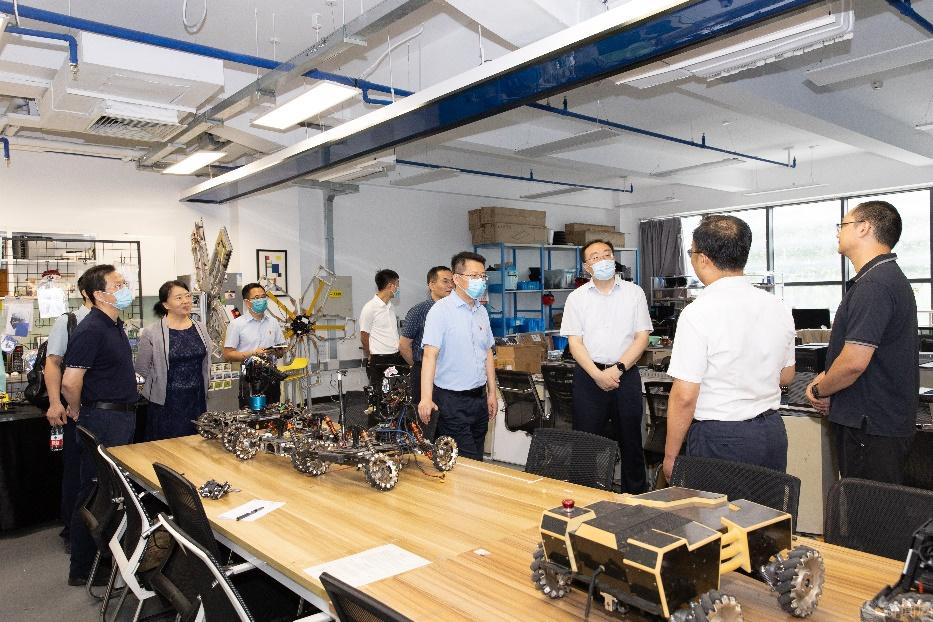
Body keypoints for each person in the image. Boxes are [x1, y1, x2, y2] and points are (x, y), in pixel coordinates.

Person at [662, 216, 796, 481]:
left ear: (703, 258)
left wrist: (670, 457)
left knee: (717, 509)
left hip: (720, 438)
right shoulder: (777, 305)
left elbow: (685, 396)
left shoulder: (698, 312)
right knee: (764, 507)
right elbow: (786, 376)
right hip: (771, 432)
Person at [806, 201, 918, 484]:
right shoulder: (884, 277)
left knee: (868, 508)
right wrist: (830, 377)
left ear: (864, 228)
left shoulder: (874, 285)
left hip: (870, 427)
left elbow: (854, 363)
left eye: (842, 225)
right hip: (878, 423)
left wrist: (820, 389)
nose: (837, 232)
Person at [61, 264, 138, 586]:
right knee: (95, 492)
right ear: (99, 294)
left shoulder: (113, 325)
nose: (125, 288)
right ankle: (83, 568)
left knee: (110, 492)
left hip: (119, 417)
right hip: (103, 419)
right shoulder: (91, 329)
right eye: (118, 285)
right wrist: (77, 410)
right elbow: (70, 381)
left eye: (124, 283)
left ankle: (104, 560)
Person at [560, 239, 652, 493]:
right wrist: (597, 374)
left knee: (631, 442)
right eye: (595, 257)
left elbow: (642, 337)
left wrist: (618, 368)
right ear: (586, 266)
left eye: (607, 254)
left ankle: (636, 500)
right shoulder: (577, 298)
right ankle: (584, 497)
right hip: (589, 378)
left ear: (614, 258)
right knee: (585, 444)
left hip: (626, 375)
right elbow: (575, 343)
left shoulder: (634, 293)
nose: (602, 260)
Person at [418, 252, 497, 461]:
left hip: (479, 399)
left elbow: (487, 352)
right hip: (451, 401)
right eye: (474, 276)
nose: (480, 281)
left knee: (477, 458)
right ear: (456, 278)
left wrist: (491, 393)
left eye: (483, 276)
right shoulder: (440, 311)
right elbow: (429, 356)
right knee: (466, 461)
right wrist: (426, 398)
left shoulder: (481, 311)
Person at [44, 270, 94, 553]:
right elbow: (52, 363)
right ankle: (73, 531)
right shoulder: (69, 321)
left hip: (103, 410)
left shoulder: (114, 322)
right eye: (115, 285)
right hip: (75, 411)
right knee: (75, 472)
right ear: (89, 292)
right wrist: (55, 403)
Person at [137, 280, 212, 440]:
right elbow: (141, 370)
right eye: (179, 298)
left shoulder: (201, 328)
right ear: (166, 304)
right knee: (167, 448)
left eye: (188, 296)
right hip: (165, 403)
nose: (186, 301)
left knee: (196, 445)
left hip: (197, 400)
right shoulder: (151, 333)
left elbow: (206, 363)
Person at [399, 265, 453, 433]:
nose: (450, 285)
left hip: (448, 373)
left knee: (447, 420)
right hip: (423, 371)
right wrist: (419, 367)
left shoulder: (455, 310)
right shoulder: (420, 310)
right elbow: (404, 345)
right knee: (425, 423)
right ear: (431, 284)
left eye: (452, 281)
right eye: (445, 281)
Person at [223, 282, 286, 407]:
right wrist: (253, 353)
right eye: (256, 298)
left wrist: (277, 351)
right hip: (248, 375)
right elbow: (228, 354)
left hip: (271, 374)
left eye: (263, 297)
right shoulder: (236, 325)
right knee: (251, 412)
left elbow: (281, 350)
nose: (261, 300)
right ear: (247, 302)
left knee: (274, 412)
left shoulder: (273, 322)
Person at [360, 269, 405, 388]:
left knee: (396, 392)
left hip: (395, 357)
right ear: (390, 286)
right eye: (397, 285)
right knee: (379, 393)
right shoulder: (370, 308)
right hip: (379, 360)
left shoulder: (391, 307)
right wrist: (370, 354)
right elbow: (364, 335)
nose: (398, 289)